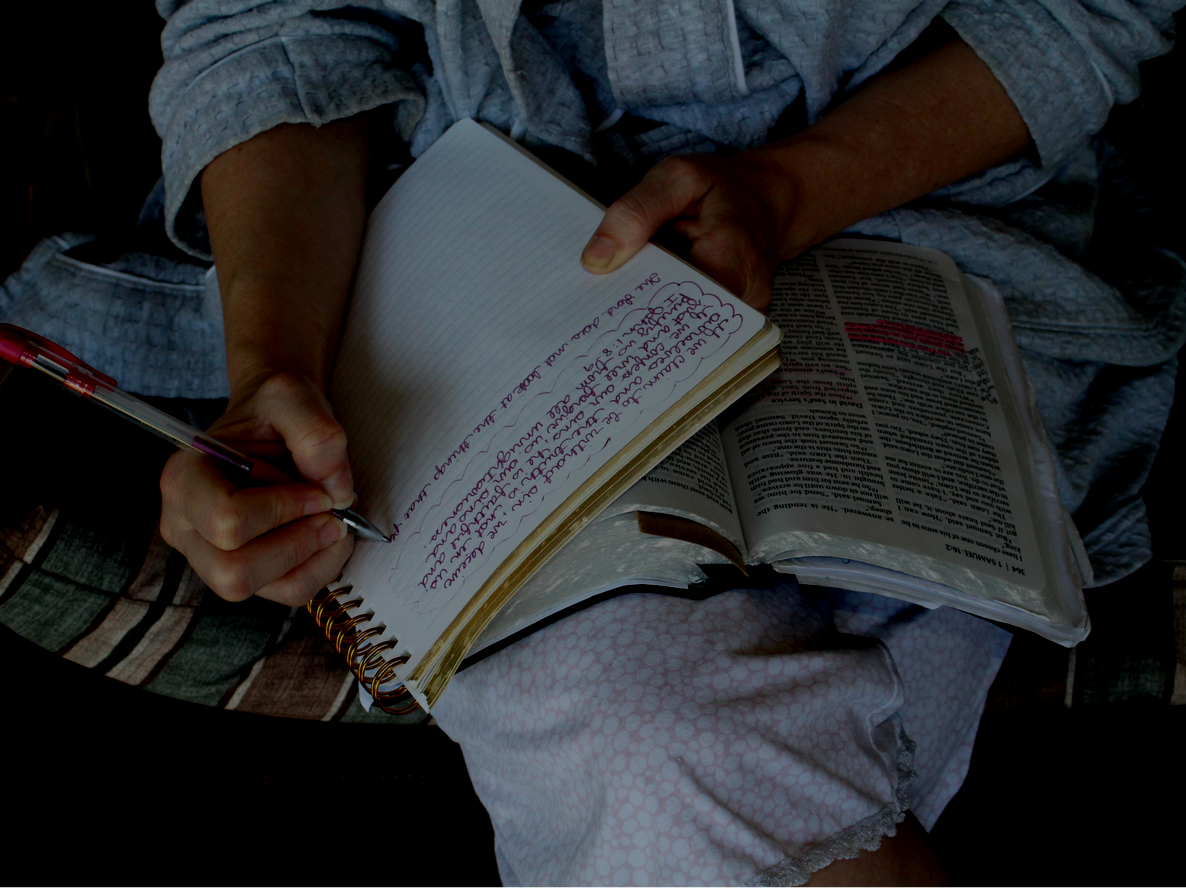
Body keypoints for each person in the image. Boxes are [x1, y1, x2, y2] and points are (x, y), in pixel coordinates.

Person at [5, 1, 1184, 885]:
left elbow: (1081, 10)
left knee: (648, 746)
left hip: (922, 229)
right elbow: (275, 31)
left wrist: (790, 190)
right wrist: (274, 367)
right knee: (649, 735)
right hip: (480, 269)